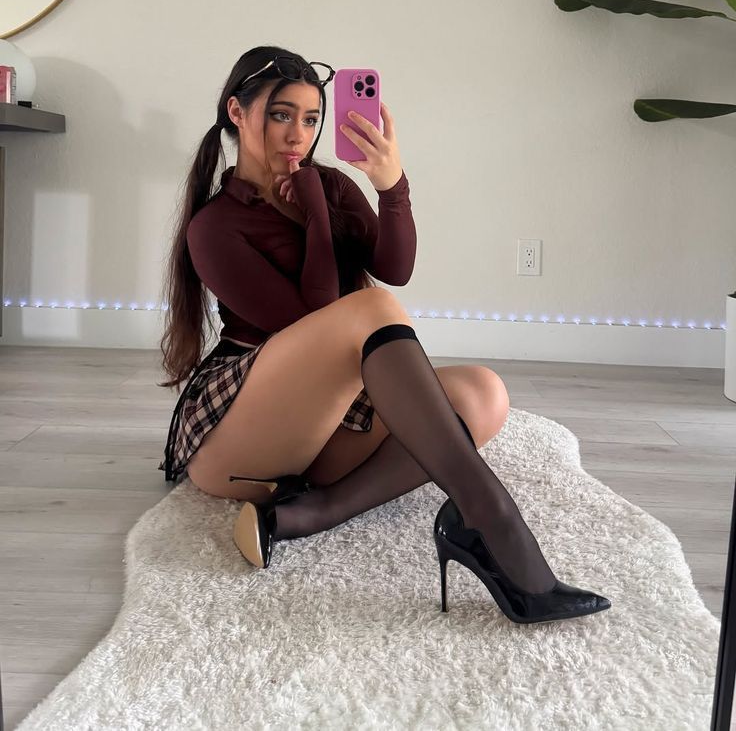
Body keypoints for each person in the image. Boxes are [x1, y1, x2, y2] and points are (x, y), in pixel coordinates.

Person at [157, 45, 611, 625]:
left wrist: (390, 184)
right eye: (280, 114)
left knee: (483, 393)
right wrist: (315, 217)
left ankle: (313, 512)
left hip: (329, 419)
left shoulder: (330, 185)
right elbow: (314, 319)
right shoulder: (215, 226)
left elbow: (397, 268)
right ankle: (493, 520)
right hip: (244, 433)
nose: (298, 135)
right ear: (237, 113)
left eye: (311, 118)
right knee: (369, 307)